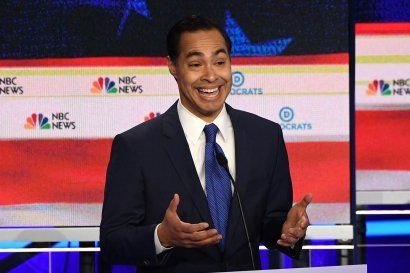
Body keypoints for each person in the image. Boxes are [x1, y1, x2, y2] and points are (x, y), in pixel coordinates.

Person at [100, 15, 312, 273]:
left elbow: (269, 225)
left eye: (220, 62)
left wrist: (287, 230)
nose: (211, 76)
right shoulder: (136, 146)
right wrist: (162, 237)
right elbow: (112, 243)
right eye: (196, 64)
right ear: (173, 67)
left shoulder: (266, 136)